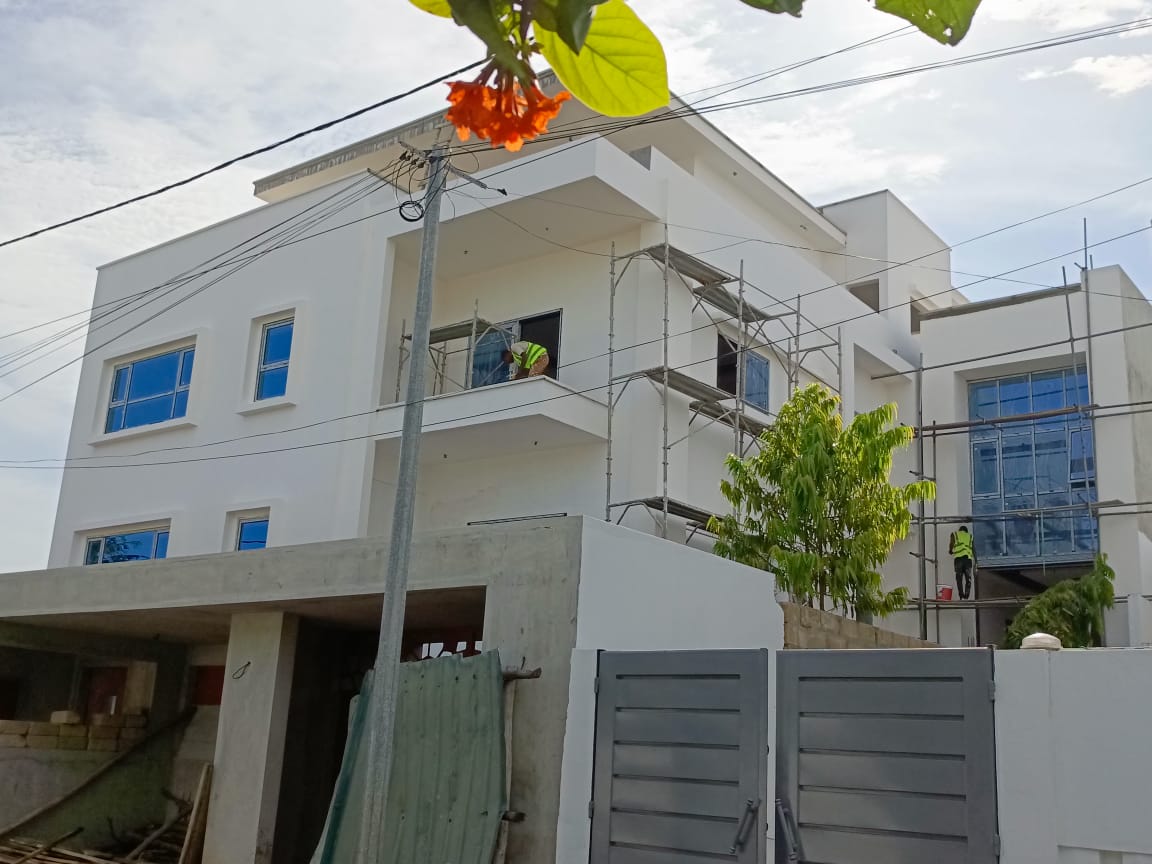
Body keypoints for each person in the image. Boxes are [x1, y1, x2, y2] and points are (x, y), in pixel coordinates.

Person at [949, 525, 975, 600]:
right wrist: (976, 561)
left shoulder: (955, 534)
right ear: (966, 531)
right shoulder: (970, 536)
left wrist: (950, 551)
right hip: (967, 560)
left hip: (958, 560)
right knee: (968, 579)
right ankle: (966, 596)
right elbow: (973, 549)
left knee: (959, 578)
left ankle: (961, 596)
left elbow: (951, 544)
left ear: (960, 530)